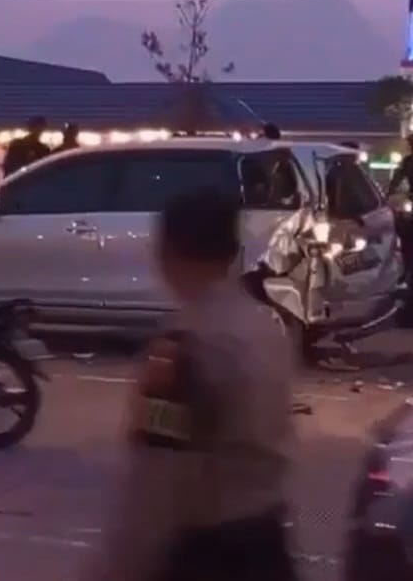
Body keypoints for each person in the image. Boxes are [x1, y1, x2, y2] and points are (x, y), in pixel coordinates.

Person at [81, 188, 296, 581]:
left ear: (167, 253)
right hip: (267, 546)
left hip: (205, 554)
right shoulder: (266, 327)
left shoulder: (182, 349)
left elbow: (158, 478)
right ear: (232, 253)